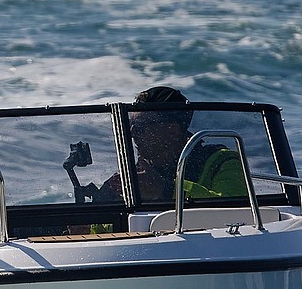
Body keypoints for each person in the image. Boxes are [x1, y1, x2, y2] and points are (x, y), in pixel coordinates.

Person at [99, 85, 248, 204]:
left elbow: (235, 211)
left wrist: (165, 190)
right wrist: (94, 217)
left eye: (140, 127)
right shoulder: (136, 175)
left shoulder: (222, 162)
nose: (132, 134)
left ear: (172, 129)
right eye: (131, 126)